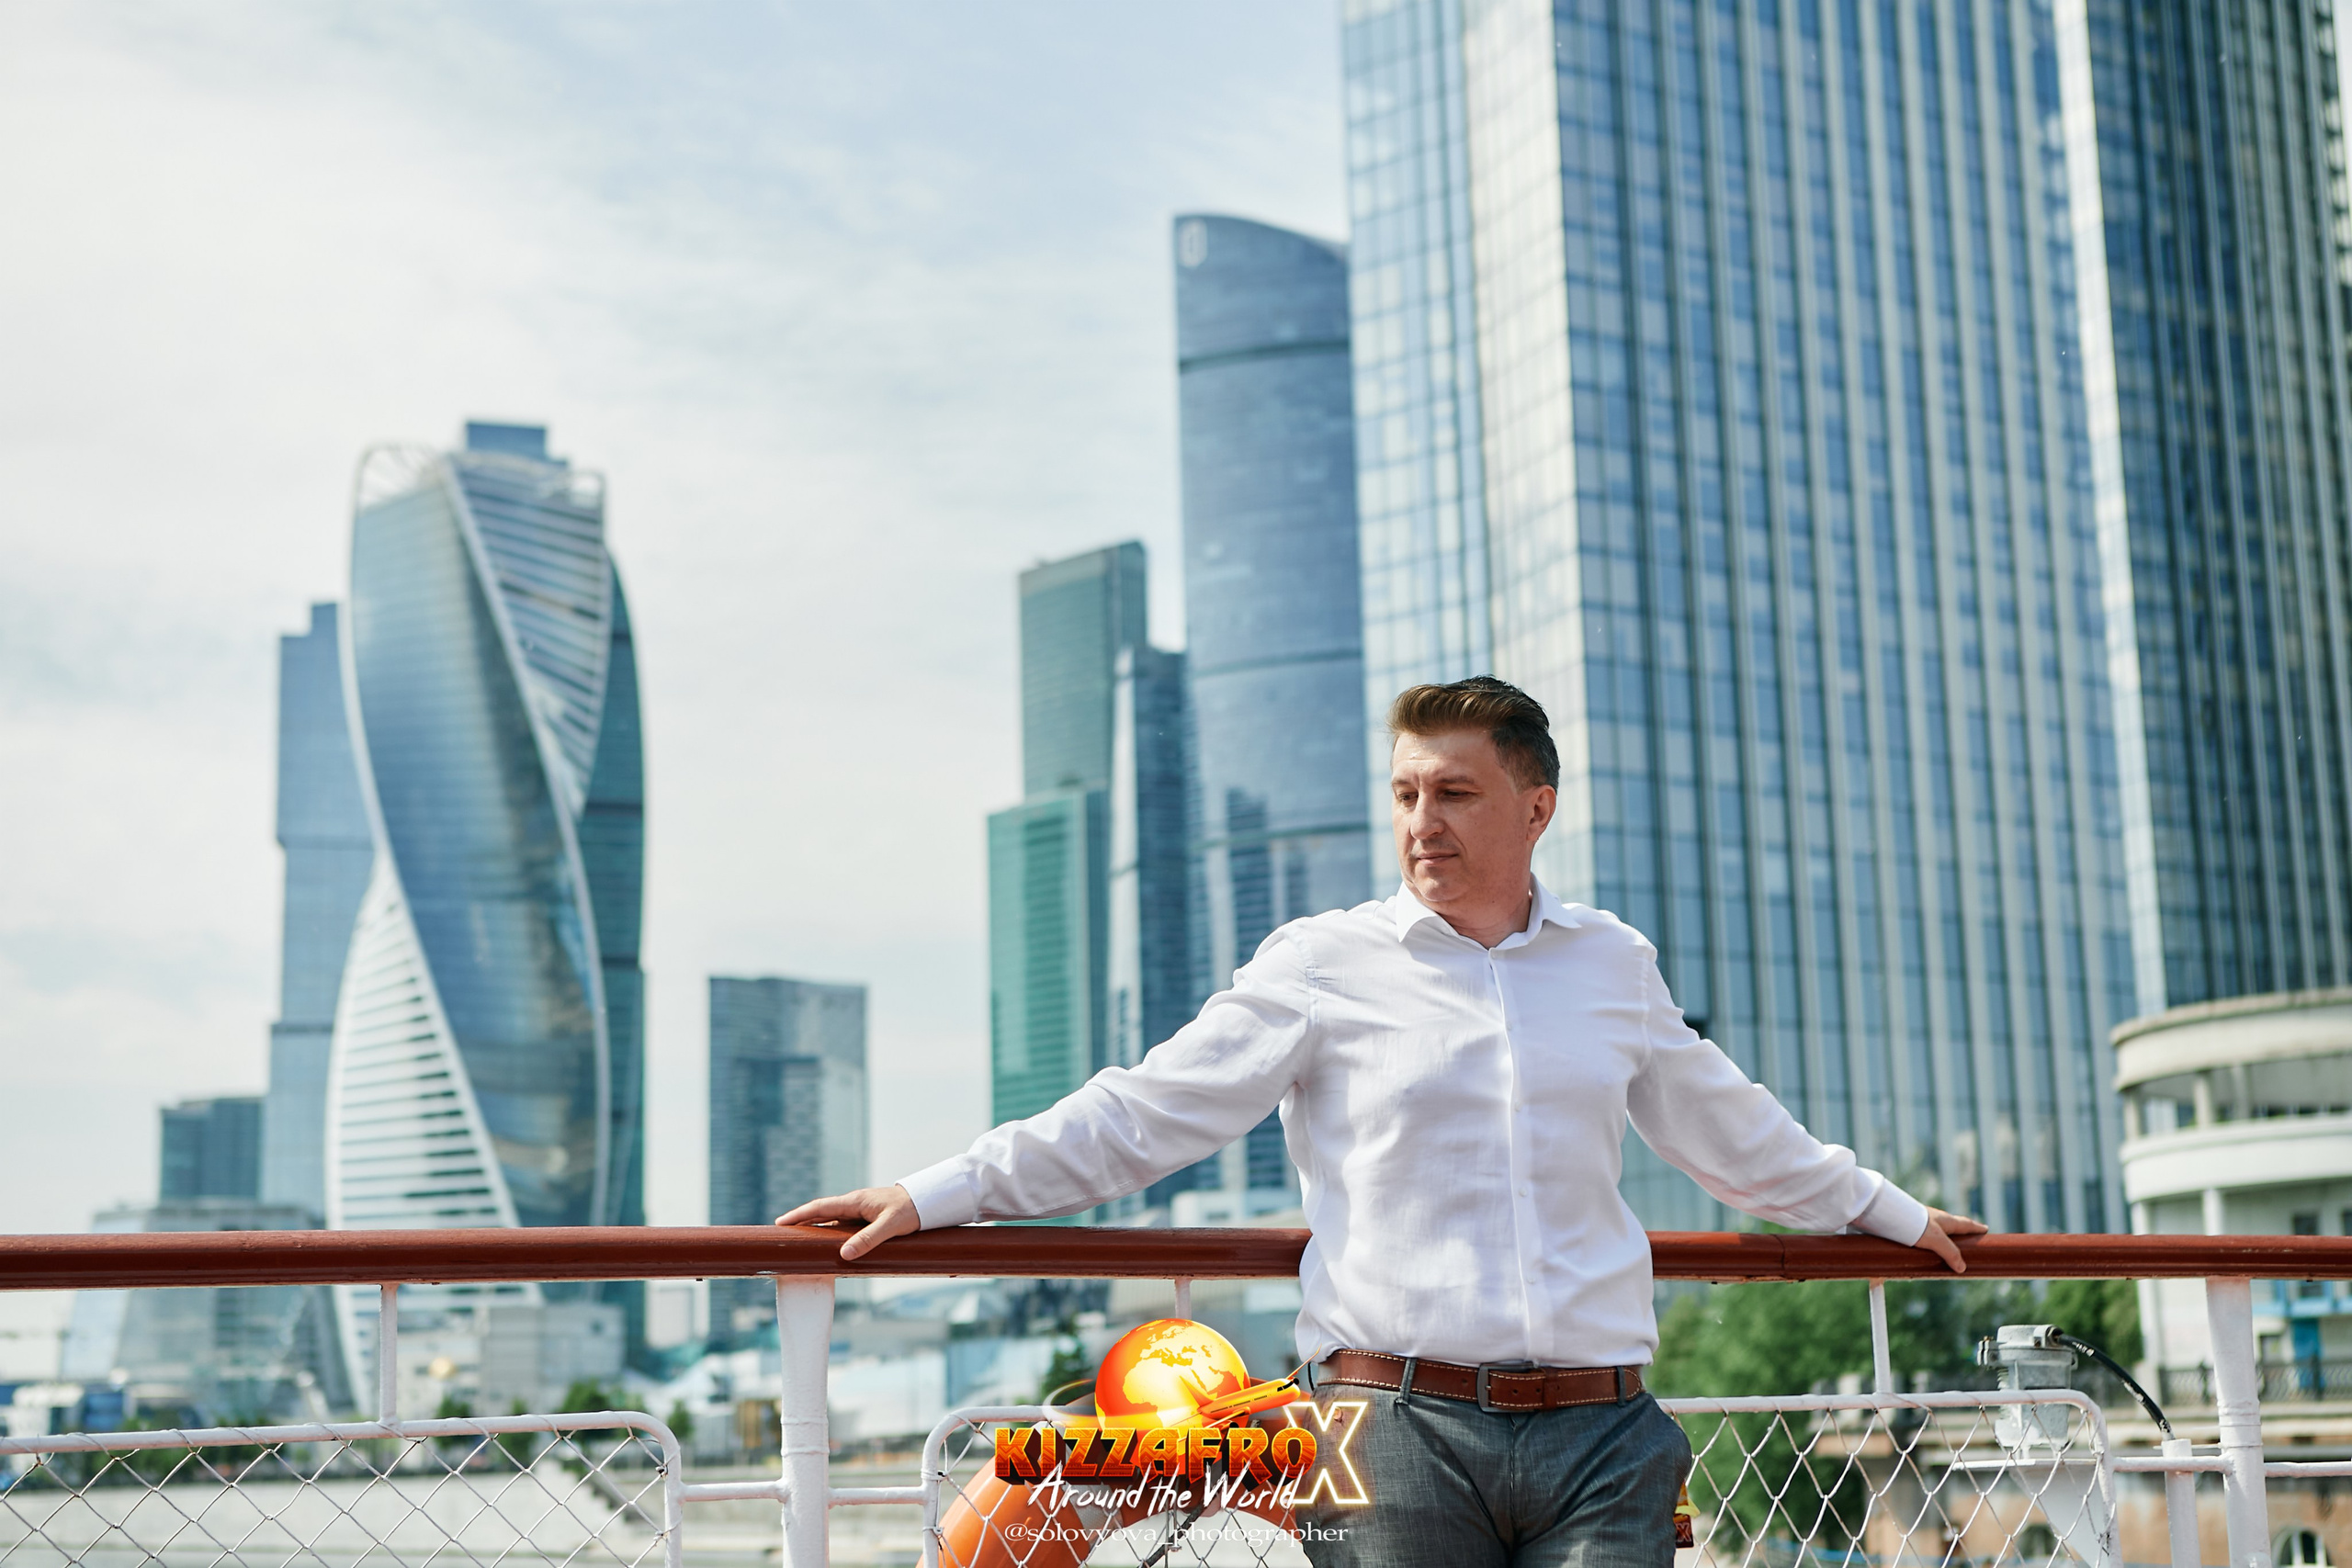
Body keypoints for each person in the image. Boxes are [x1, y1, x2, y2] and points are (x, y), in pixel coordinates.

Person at [783, 676, 1984, 1567]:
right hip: (1393, 1432)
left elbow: (1734, 1129)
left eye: (1456, 792)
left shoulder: (1611, 964)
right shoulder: (1323, 964)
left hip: (1605, 1434)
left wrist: (1890, 1213)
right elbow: (1145, 1111)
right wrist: (937, 1193)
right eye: (1406, 794)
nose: (1423, 820)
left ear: (1536, 806)